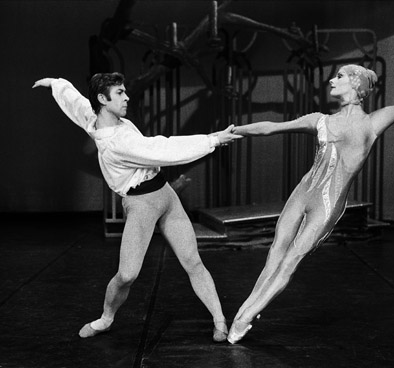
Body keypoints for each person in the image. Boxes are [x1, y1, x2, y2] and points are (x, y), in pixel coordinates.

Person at [227, 65, 394, 344]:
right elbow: (272, 128)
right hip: (302, 193)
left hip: (327, 202)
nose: (332, 80)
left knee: (292, 258)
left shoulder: (373, 123)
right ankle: (249, 306)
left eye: (339, 76)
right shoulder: (319, 120)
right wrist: (231, 132)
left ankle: (245, 317)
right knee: (275, 251)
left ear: (356, 84)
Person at [33, 73, 242, 342]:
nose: (126, 97)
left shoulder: (98, 117)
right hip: (140, 205)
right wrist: (212, 139)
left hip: (165, 195)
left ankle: (219, 320)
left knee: (193, 260)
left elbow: (77, 103)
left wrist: (56, 83)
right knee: (127, 274)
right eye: (119, 92)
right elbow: (162, 148)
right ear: (103, 99)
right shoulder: (116, 142)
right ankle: (106, 319)